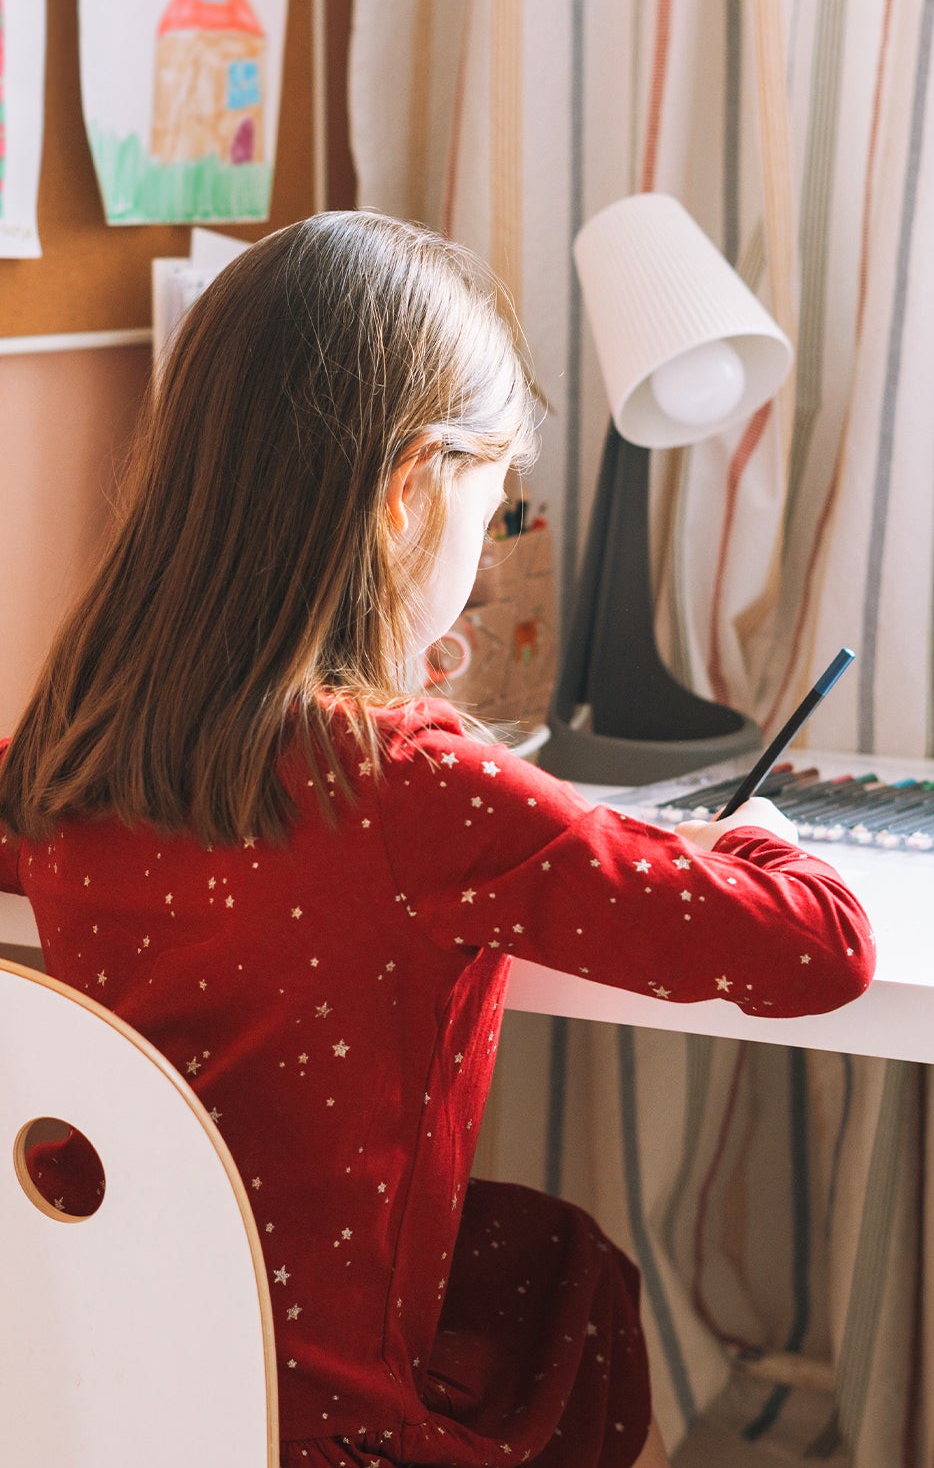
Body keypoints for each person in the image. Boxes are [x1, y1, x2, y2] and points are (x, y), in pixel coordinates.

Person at [0, 213, 874, 1468]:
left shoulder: (73, 747)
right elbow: (818, 950)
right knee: (572, 1286)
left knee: (528, 1249)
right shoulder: (405, 782)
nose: (487, 538)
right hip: (331, 1425)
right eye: (495, 498)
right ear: (411, 493)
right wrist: (770, 841)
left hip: (110, 1386)